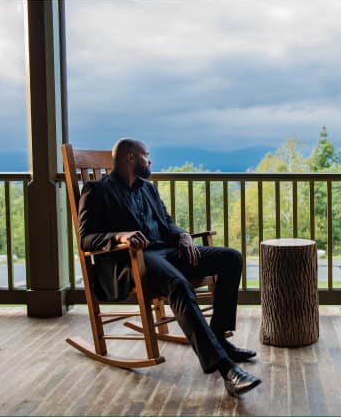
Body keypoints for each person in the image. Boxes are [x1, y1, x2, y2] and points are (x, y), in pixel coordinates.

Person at [78, 138, 261, 397]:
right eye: (146, 155)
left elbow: (167, 222)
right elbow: (85, 238)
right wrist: (121, 237)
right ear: (130, 158)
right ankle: (226, 369)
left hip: (167, 252)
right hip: (133, 262)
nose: (150, 161)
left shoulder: (147, 189)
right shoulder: (96, 191)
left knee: (231, 258)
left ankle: (218, 337)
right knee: (178, 284)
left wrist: (184, 235)